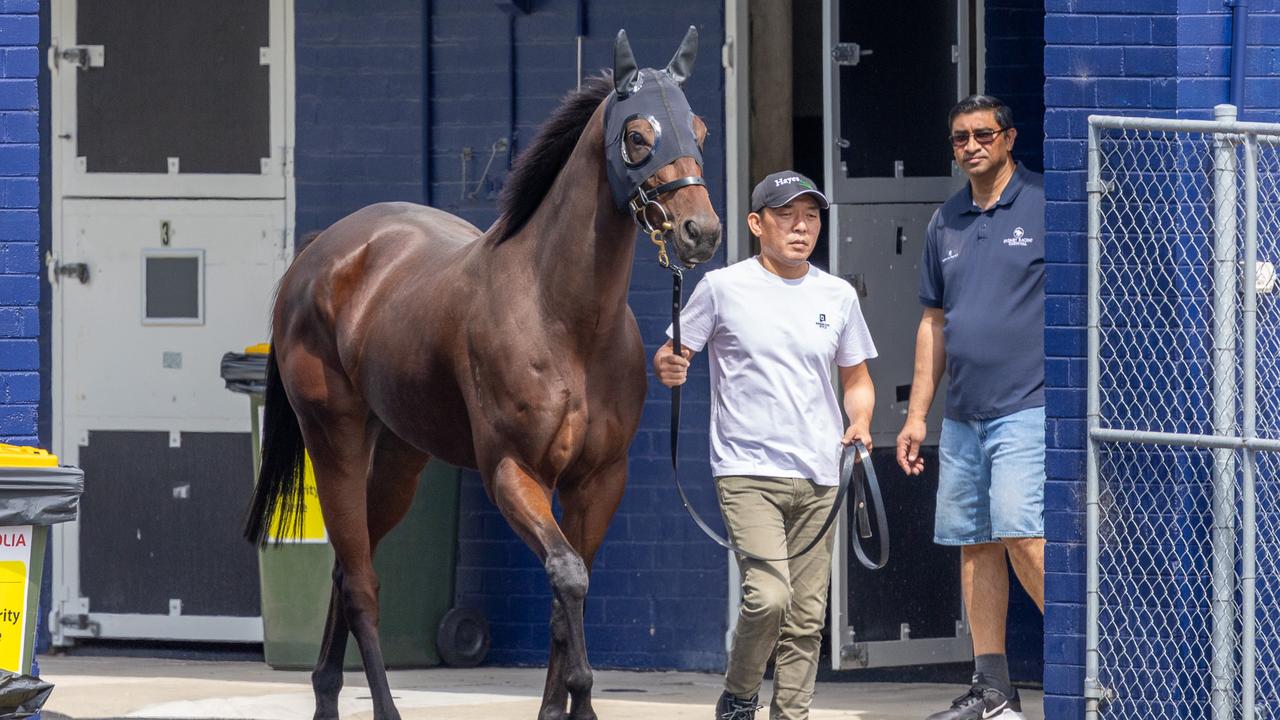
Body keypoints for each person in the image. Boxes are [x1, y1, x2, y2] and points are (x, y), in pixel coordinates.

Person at [653, 170, 877, 720]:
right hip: (747, 471)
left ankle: (791, 714)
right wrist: (671, 366)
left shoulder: (837, 295)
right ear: (756, 224)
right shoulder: (723, 287)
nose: (801, 228)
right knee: (769, 597)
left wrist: (861, 422)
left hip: (823, 473)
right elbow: (671, 354)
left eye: (811, 217)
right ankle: (741, 693)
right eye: (786, 216)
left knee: (806, 616)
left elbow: (857, 380)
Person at [895, 95, 1045, 720]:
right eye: (960, 138)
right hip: (962, 415)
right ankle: (994, 692)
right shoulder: (945, 221)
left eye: (984, 135)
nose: (971, 146)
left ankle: (1097, 661)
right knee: (975, 543)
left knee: (1020, 532)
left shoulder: (1044, 203)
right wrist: (916, 415)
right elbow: (933, 322)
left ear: (1009, 139)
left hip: (1028, 406)